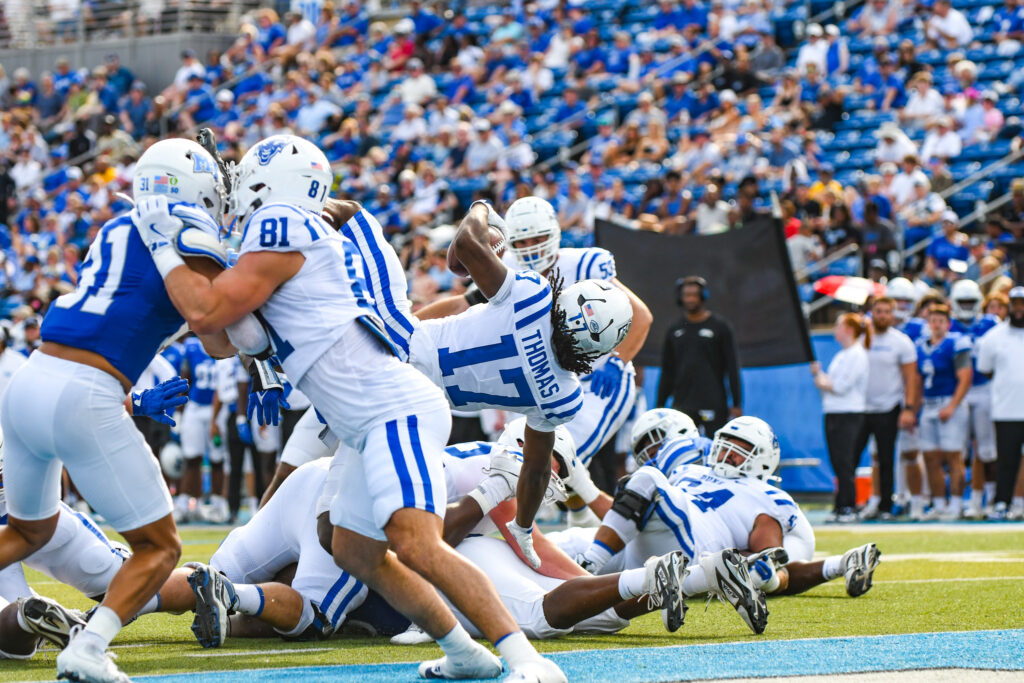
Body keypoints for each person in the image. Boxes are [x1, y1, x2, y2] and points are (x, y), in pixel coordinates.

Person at [133, 135, 566, 681]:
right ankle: (464, 653)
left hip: (393, 409)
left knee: (415, 542)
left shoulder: (282, 224)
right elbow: (221, 335)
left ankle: (528, 659)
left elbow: (206, 312)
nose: (236, 188)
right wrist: (197, 251)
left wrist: (164, 240)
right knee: (353, 551)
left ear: (269, 185)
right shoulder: (276, 242)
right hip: (365, 422)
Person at [0, 139, 252, 683]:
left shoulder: (115, 227)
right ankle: (87, 650)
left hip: (30, 380)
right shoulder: (186, 228)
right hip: (86, 389)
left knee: (26, 531)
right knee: (160, 546)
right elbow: (217, 337)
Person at [409, 203, 632, 564]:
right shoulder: (564, 395)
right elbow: (536, 468)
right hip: (429, 407)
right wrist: (524, 527)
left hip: (400, 359)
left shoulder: (533, 292)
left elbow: (465, 245)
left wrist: (483, 210)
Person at [503, 196, 653, 466]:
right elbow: (464, 306)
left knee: (553, 464)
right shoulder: (509, 272)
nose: (530, 249)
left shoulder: (584, 265)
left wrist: (618, 362)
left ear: (554, 233)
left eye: (537, 239)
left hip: (595, 381)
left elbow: (641, 316)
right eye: (521, 242)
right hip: (542, 383)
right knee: (512, 462)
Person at [855, 298, 918, 520]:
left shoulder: (901, 342)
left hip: (889, 407)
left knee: (886, 458)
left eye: (886, 312)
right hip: (861, 408)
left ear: (893, 314)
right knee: (853, 456)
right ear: (871, 313)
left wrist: (908, 408)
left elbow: (911, 378)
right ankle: (852, 502)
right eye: (878, 311)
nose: (882, 315)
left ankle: (885, 506)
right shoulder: (861, 339)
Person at [657, 276, 742, 436]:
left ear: (703, 296)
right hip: (682, 403)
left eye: (694, 295)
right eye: (686, 295)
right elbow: (667, 370)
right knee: (682, 448)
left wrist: (736, 403)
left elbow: (732, 367)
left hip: (713, 402)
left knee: (714, 447)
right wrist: (660, 404)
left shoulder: (720, 327)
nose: (690, 299)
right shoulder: (674, 329)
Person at [811, 314, 871, 522]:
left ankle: (849, 505)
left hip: (849, 413)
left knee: (845, 461)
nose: (836, 330)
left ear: (849, 329)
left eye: (839, 326)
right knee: (837, 461)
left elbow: (841, 387)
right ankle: (841, 504)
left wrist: (822, 380)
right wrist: (820, 377)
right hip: (834, 411)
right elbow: (830, 388)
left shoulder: (857, 354)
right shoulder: (841, 356)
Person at [916, 304, 972, 519]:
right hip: (929, 404)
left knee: (953, 456)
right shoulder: (921, 346)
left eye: (940, 321)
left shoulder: (956, 342)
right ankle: (939, 504)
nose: (936, 325)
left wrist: (952, 406)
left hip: (950, 402)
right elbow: (917, 380)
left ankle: (956, 504)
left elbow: (965, 378)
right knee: (930, 457)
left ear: (947, 324)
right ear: (928, 323)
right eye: (933, 321)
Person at [950, 279, 1001, 518]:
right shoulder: (947, 326)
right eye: (964, 302)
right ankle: (959, 502)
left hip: (984, 388)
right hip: (958, 391)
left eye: (971, 302)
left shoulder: (990, 323)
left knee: (987, 450)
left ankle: (988, 498)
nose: (968, 306)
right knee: (957, 450)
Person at [976, 286, 1024, 519]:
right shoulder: (993, 337)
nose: (1019, 309)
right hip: (1007, 409)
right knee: (1006, 460)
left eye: (1022, 304)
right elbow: (985, 369)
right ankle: (1002, 502)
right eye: (1015, 304)